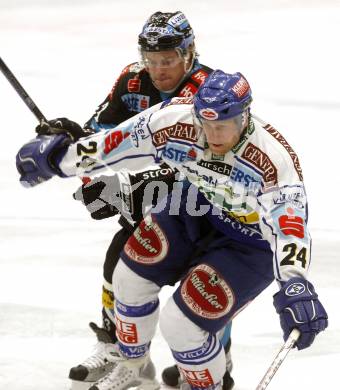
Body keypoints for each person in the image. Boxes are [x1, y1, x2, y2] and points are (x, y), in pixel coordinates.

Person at [16, 69, 328, 390]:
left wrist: (294, 284)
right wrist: (59, 159)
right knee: (129, 280)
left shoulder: (272, 159)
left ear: (244, 116)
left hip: (250, 243)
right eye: (207, 125)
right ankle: (134, 366)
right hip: (191, 204)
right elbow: (115, 145)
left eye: (223, 126)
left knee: (180, 325)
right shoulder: (173, 121)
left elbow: (289, 223)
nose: (214, 135)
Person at [32, 10, 234, 390]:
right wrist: (70, 139)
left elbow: (202, 164)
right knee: (117, 267)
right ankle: (121, 352)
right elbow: (100, 136)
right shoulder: (132, 81)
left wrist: (124, 187)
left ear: (189, 54)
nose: (158, 70)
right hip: (158, 205)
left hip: (208, 206)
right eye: (152, 60)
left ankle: (219, 362)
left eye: (168, 60)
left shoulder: (208, 92)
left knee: (206, 288)